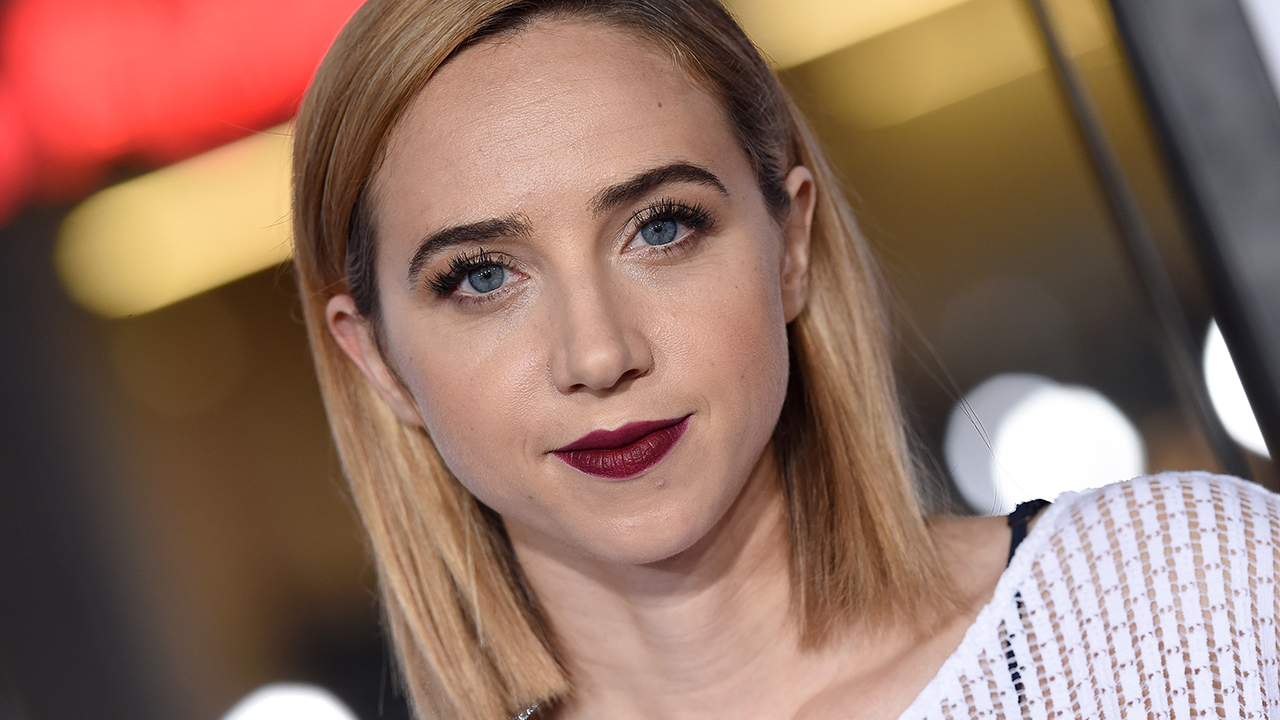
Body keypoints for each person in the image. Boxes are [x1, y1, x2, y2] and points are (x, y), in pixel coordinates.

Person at [289, 1, 1280, 718]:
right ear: (374, 356)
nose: (596, 353)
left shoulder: (1176, 601)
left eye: (661, 227)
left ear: (789, 243)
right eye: (480, 277)